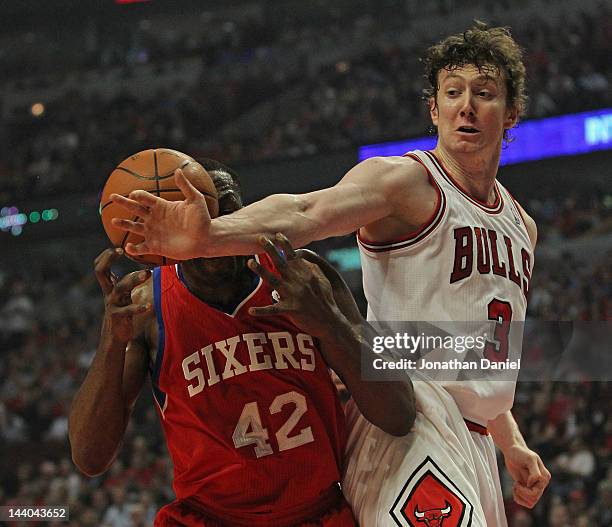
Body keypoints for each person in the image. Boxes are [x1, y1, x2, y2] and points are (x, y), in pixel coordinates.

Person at [110, 23, 551, 525]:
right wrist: (210, 236)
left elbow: (486, 349)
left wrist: (508, 439)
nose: (465, 106)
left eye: (484, 94)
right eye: (452, 93)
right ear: (434, 109)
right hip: (410, 415)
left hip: (473, 443)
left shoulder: (522, 225)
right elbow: (305, 212)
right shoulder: (406, 181)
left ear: (511, 112)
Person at [69, 159, 415, 527]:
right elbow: (90, 458)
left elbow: (398, 414)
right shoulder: (147, 308)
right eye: (197, 218)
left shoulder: (302, 276)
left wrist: (330, 325)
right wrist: (110, 344)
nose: (208, 230)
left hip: (318, 512)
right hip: (210, 518)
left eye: (223, 216)